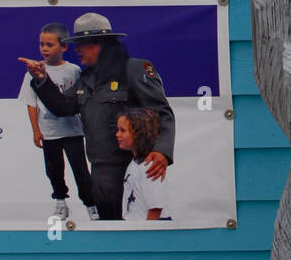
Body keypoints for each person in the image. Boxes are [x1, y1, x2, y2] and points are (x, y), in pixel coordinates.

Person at [18, 12, 175, 221]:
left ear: (100, 44)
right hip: (99, 170)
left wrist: (161, 150)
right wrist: (42, 79)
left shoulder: (135, 69)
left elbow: (162, 113)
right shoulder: (86, 79)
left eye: (82, 43)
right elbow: (63, 107)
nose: (77, 49)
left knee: (135, 230)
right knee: (108, 232)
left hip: (133, 168)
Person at [18, 22, 97, 222]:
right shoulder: (33, 71)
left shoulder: (74, 70)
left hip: (72, 131)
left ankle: (91, 205)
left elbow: (81, 100)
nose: (44, 48)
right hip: (49, 132)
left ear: (63, 47)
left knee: (80, 170)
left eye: (49, 44)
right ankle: (60, 202)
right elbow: (31, 104)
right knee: (54, 170)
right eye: (41, 44)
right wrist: (36, 130)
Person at [116, 109, 174, 222]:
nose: (117, 134)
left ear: (139, 134)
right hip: (137, 226)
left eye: (122, 131)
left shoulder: (150, 165)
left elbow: (155, 207)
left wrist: (148, 234)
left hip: (150, 227)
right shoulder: (135, 163)